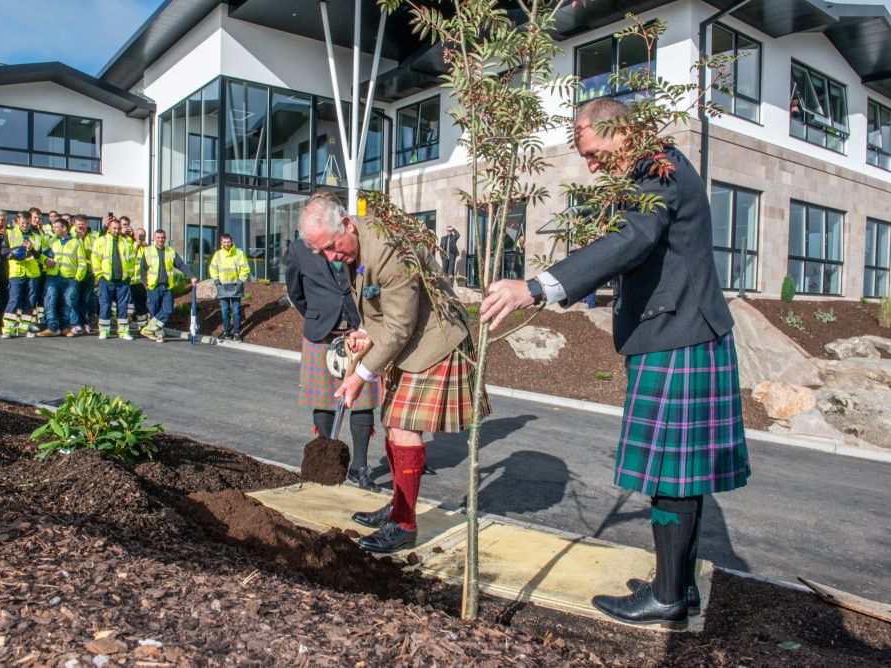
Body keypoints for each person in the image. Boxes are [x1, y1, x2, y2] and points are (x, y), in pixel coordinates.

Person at [480, 98, 750, 629]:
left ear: (617, 129)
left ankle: (669, 597)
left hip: (679, 335)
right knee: (681, 473)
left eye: (594, 152)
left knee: (671, 472)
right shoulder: (653, 166)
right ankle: (679, 587)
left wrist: (536, 287)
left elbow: (634, 239)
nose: (592, 165)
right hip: (684, 331)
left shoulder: (656, 167)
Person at [298, 191, 486, 553]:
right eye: (323, 252)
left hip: (436, 339)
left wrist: (359, 376)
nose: (333, 258)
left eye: (334, 248)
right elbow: (382, 309)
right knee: (392, 421)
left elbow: (401, 325)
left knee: (401, 423)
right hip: (410, 335)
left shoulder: (387, 249)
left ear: (348, 224)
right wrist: (365, 333)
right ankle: (400, 505)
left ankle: (404, 524)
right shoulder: (355, 246)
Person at [286, 236, 381, 491]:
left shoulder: (354, 242)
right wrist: (318, 315)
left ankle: (359, 466)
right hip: (321, 332)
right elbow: (295, 292)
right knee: (324, 399)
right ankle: (326, 460)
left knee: (362, 401)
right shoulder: (297, 248)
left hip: (358, 330)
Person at [137, 229, 197, 343]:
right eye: (158, 237)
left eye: (163, 237)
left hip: (166, 287)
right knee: (154, 311)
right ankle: (158, 334)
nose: (161, 240)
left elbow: (181, 265)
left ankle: (148, 329)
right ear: (154, 238)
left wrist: (191, 276)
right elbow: (142, 270)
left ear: (165, 238)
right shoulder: (148, 251)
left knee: (168, 310)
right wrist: (145, 285)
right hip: (153, 287)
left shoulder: (170, 251)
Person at [39, 218, 87, 337]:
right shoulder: (51, 241)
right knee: (50, 301)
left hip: (70, 278)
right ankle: (51, 328)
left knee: (68, 302)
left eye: (56, 227)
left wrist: (77, 278)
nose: (53, 229)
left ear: (64, 228)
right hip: (53, 276)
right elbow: (40, 254)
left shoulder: (76, 242)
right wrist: (45, 260)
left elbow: (82, 262)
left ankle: (65, 328)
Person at [0, 211, 44, 338]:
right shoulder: (10, 233)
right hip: (17, 272)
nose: (25, 225)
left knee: (30, 301)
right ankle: (8, 328)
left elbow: (38, 255)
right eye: (23, 223)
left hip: (33, 273)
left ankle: (24, 327)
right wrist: (16, 250)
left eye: (27, 223)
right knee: (14, 299)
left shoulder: (36, 235)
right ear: (18, 221)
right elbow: (3, 251)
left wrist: (31, 249)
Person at [91, 217, 135, 341]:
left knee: (122, 306)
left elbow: (132, 260)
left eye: (118, 228)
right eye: (114, 228)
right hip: (106, 279)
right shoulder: (101, 241)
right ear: (109, 228)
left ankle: (123, 331)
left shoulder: (127, 242)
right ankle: (104, 331)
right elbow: (95, 259)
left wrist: (128, 276)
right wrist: (99, 275)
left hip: (123, 280)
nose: (116, 230)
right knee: (105, 305)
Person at [208, 233, 250, 342]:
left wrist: (241, 280)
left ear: (231, 242)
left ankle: (236, 334)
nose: (227, 244)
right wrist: (216, 280)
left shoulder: (239, 253)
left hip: (236, 286)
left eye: (228, 242)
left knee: (236, 311)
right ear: (221, 243)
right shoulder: (218, 254)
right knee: (224, 312)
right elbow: (213, 268)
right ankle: (226, 333)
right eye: (224, 242)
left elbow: (245, 268)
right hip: (222, 287)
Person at [73, 215, 99, 334]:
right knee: (74, 299)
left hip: (89, 274)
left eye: (83, 224)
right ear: (74, 225)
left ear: (87, 224)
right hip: (75, 274)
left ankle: (84, 323)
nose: (81, 227)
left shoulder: (93, 238)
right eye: (79, 225)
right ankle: (75, 323)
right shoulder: (71, 237)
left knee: (85, 300)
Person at [130, 227, 149, 333]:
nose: (141, 238)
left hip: (143, 281)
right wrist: (136, 246)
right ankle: (139, 323)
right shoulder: (132, 246)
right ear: (135, 236)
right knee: (135, 303)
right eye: (139, 235)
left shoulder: (147, 248)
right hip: (132, 280)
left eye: (143, 235)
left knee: (141, 303)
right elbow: (129, 258)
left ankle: (142, 325)